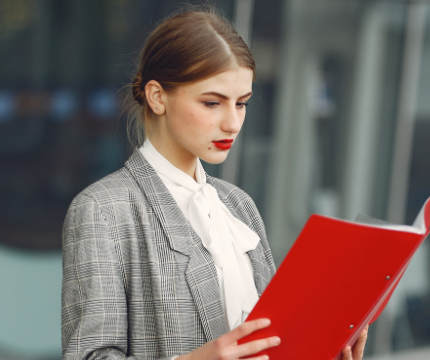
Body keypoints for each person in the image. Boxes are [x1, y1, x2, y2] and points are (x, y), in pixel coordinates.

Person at [61, 9, 368, 360]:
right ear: (157, 96)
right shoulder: (102, 209)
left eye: (242, 104)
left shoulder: (238, 205)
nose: (233, 123)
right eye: (212, 103)